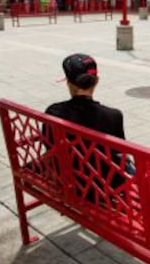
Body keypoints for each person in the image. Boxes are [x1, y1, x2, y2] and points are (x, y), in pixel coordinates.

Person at [45, 54, 133, 202]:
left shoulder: (53, 112)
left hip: (69, 184)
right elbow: (120, 157)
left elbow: (49, 150)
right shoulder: (114, 116)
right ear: (96, 81)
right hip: (104, 190)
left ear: (68, 82)